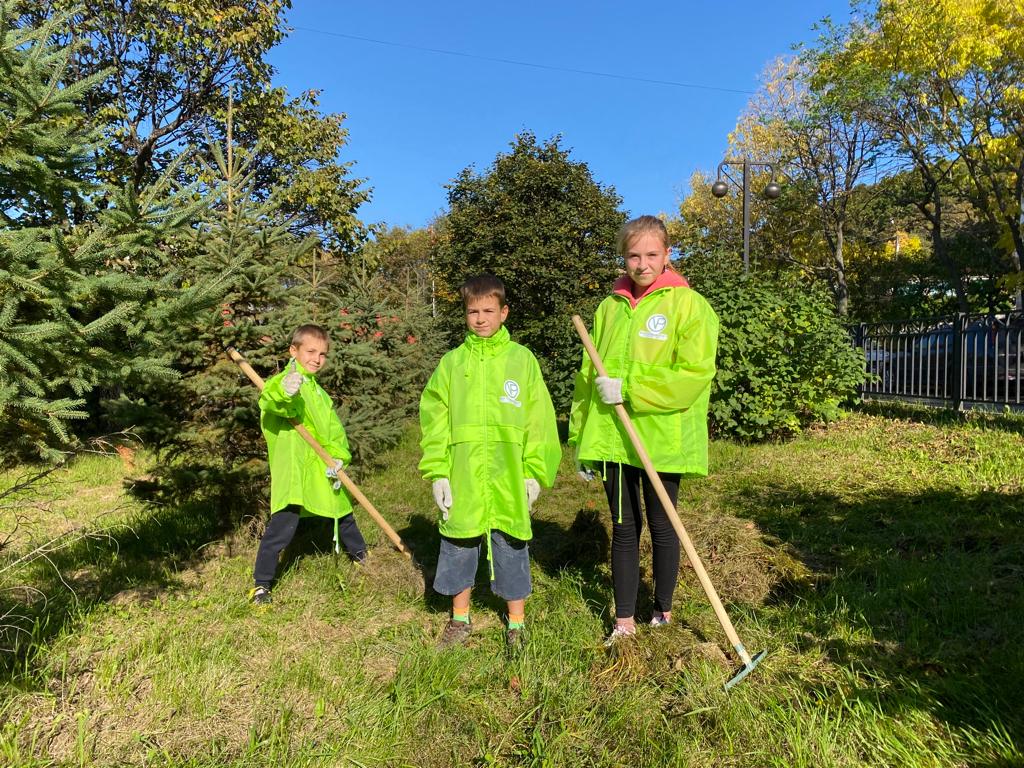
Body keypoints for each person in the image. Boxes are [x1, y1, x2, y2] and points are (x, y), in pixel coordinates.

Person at [568, 216, 719, 644]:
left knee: (663, 523)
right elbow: (586, 377)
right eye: (633, 255)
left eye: (652, 254)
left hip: (661, 439)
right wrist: (581, 437)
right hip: (614, 438)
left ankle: (663, 612)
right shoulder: (608, 308)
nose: (642, 263)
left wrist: (631, 388)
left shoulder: (689, 306)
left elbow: (693, 375)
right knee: (623, 525)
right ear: (624, 257)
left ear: (668, 254)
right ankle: (624, 621)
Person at [419, 274, 561, 649]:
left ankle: (516, 623)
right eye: (472, 312)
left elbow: (540, 421)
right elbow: (434, 418)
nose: (480, 319)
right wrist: (438, 472)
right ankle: (460, 619)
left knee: (511, 541)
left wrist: (534, 472)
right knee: (459, 542)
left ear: (503, 313)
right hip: (463, 470)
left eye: (487, 311)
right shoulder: (452, 364)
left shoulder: (521, 361)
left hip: (508, 471)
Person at [249, 324, 367, 605]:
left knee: (342, 512)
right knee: (283, 524)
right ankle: (261, 584)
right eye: (311, 352)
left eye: (323, 354)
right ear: (294, 351)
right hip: (295, 467)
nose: (317, 358)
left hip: (320, 465)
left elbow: (333, 431)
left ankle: (363, 558)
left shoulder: (319, 393)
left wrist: (339, 456)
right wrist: (285, 394)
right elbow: (272, 402)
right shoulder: (286, 381)